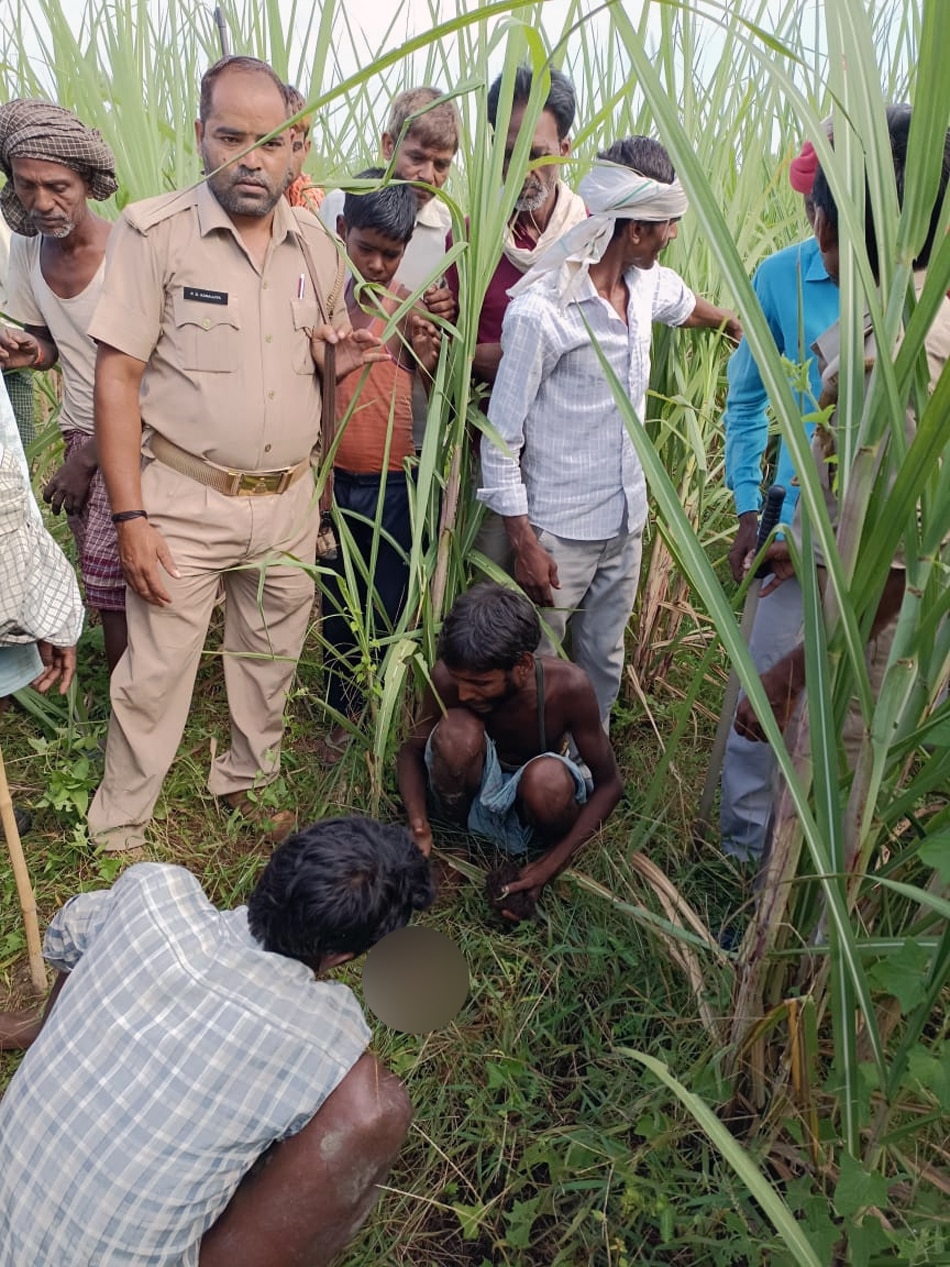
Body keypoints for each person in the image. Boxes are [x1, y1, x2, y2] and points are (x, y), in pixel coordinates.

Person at [85, 56, 383, 853]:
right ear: (200, 135)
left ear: (296, 148)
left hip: (286, 499)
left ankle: (247, 782)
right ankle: (120, 824)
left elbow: (318, 361)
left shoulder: (316, 245)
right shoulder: (155, 233)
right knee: (154, 674)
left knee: (271, 655)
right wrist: (131, 518)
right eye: (231, 138)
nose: (252, 159)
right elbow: (117, 377)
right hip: (185, 497)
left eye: (271, 142)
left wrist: (340, 362)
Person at [0, 816, 435, 1266]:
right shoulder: (328, 1035)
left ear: (273, 869)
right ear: (342, 956)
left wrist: (58, 1029)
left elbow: (67, 939)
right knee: (379, 1104)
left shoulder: (152, 894)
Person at [479, 138, 741, 728]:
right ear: (636, 229)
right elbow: (501, 438)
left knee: (603, 659)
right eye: (668, 223)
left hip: (625, 523)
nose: (674, 234)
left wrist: (732, 323)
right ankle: (528, 770)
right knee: (537, 667)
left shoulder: (643, 285)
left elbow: (686, 305)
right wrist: (525, 543)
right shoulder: (544, 311)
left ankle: (584, 761)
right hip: (558, 534)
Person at [735, 107, 950, 761]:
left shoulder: (893, 358)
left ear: (825, 222)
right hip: (837, 587)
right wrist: (803, 544)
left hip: (867, 641)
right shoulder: (909, 315)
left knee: (830, 787)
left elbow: (902, 563)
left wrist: (788, 676)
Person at [718, 129, 839, 862]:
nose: (815, 223)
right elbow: (746, 400)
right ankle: (742, 859)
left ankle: (821, 862)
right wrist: (749, 505)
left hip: (894, 538)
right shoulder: (781, 277)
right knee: (764, 700)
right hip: (795, 530)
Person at [397, 582, 623, 922]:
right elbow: (411, 751)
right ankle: (463, 841)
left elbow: (609, 785)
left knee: (547, 781)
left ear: (523, 665)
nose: (465, 694)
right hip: (472, 792)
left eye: (481, 684)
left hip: (530, 800)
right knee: (456, 733)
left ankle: (534, 852)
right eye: (460, 682)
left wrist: (550, 864)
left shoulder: (568, 687)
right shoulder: (448, 678)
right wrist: (418, 822)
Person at [0, 99, 127, 671]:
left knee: (122, 580)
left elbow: (157, 373)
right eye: (26, 186)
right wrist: (31, 352)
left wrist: (89, 459)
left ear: (87, 183)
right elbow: (48, 341)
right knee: (105, 581)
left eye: (57, 187)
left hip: (137, 434)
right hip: (81, 427)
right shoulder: (28, 250)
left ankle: (131, 705)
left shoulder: (128, 250)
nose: (42, 202)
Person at [320, 171, 442, 759]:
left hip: (395, 486)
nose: (375, 264)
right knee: (337, 603)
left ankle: (381, 707)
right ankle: (340, 713)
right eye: (365, 248)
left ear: (408, 248)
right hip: (333, 483)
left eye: (390, 255)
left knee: (389, 603)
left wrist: (426, 357)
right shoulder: (325, 306)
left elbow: (433, 397)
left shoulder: (412, 312)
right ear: (343, 230)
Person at [321, 85, 460, 447]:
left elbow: (457, 336)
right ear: (388, 145)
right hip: (333, 422)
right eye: (417, 157)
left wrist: (449, 310)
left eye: (441, 165)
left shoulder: (452, 234)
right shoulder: (339, 204)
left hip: (408, 434)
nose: (428, 175)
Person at [283, 83, 325, 215]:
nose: (287, 159)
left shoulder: (310, 199)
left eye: (295, 148)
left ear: (306, 149)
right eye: (276, 145)